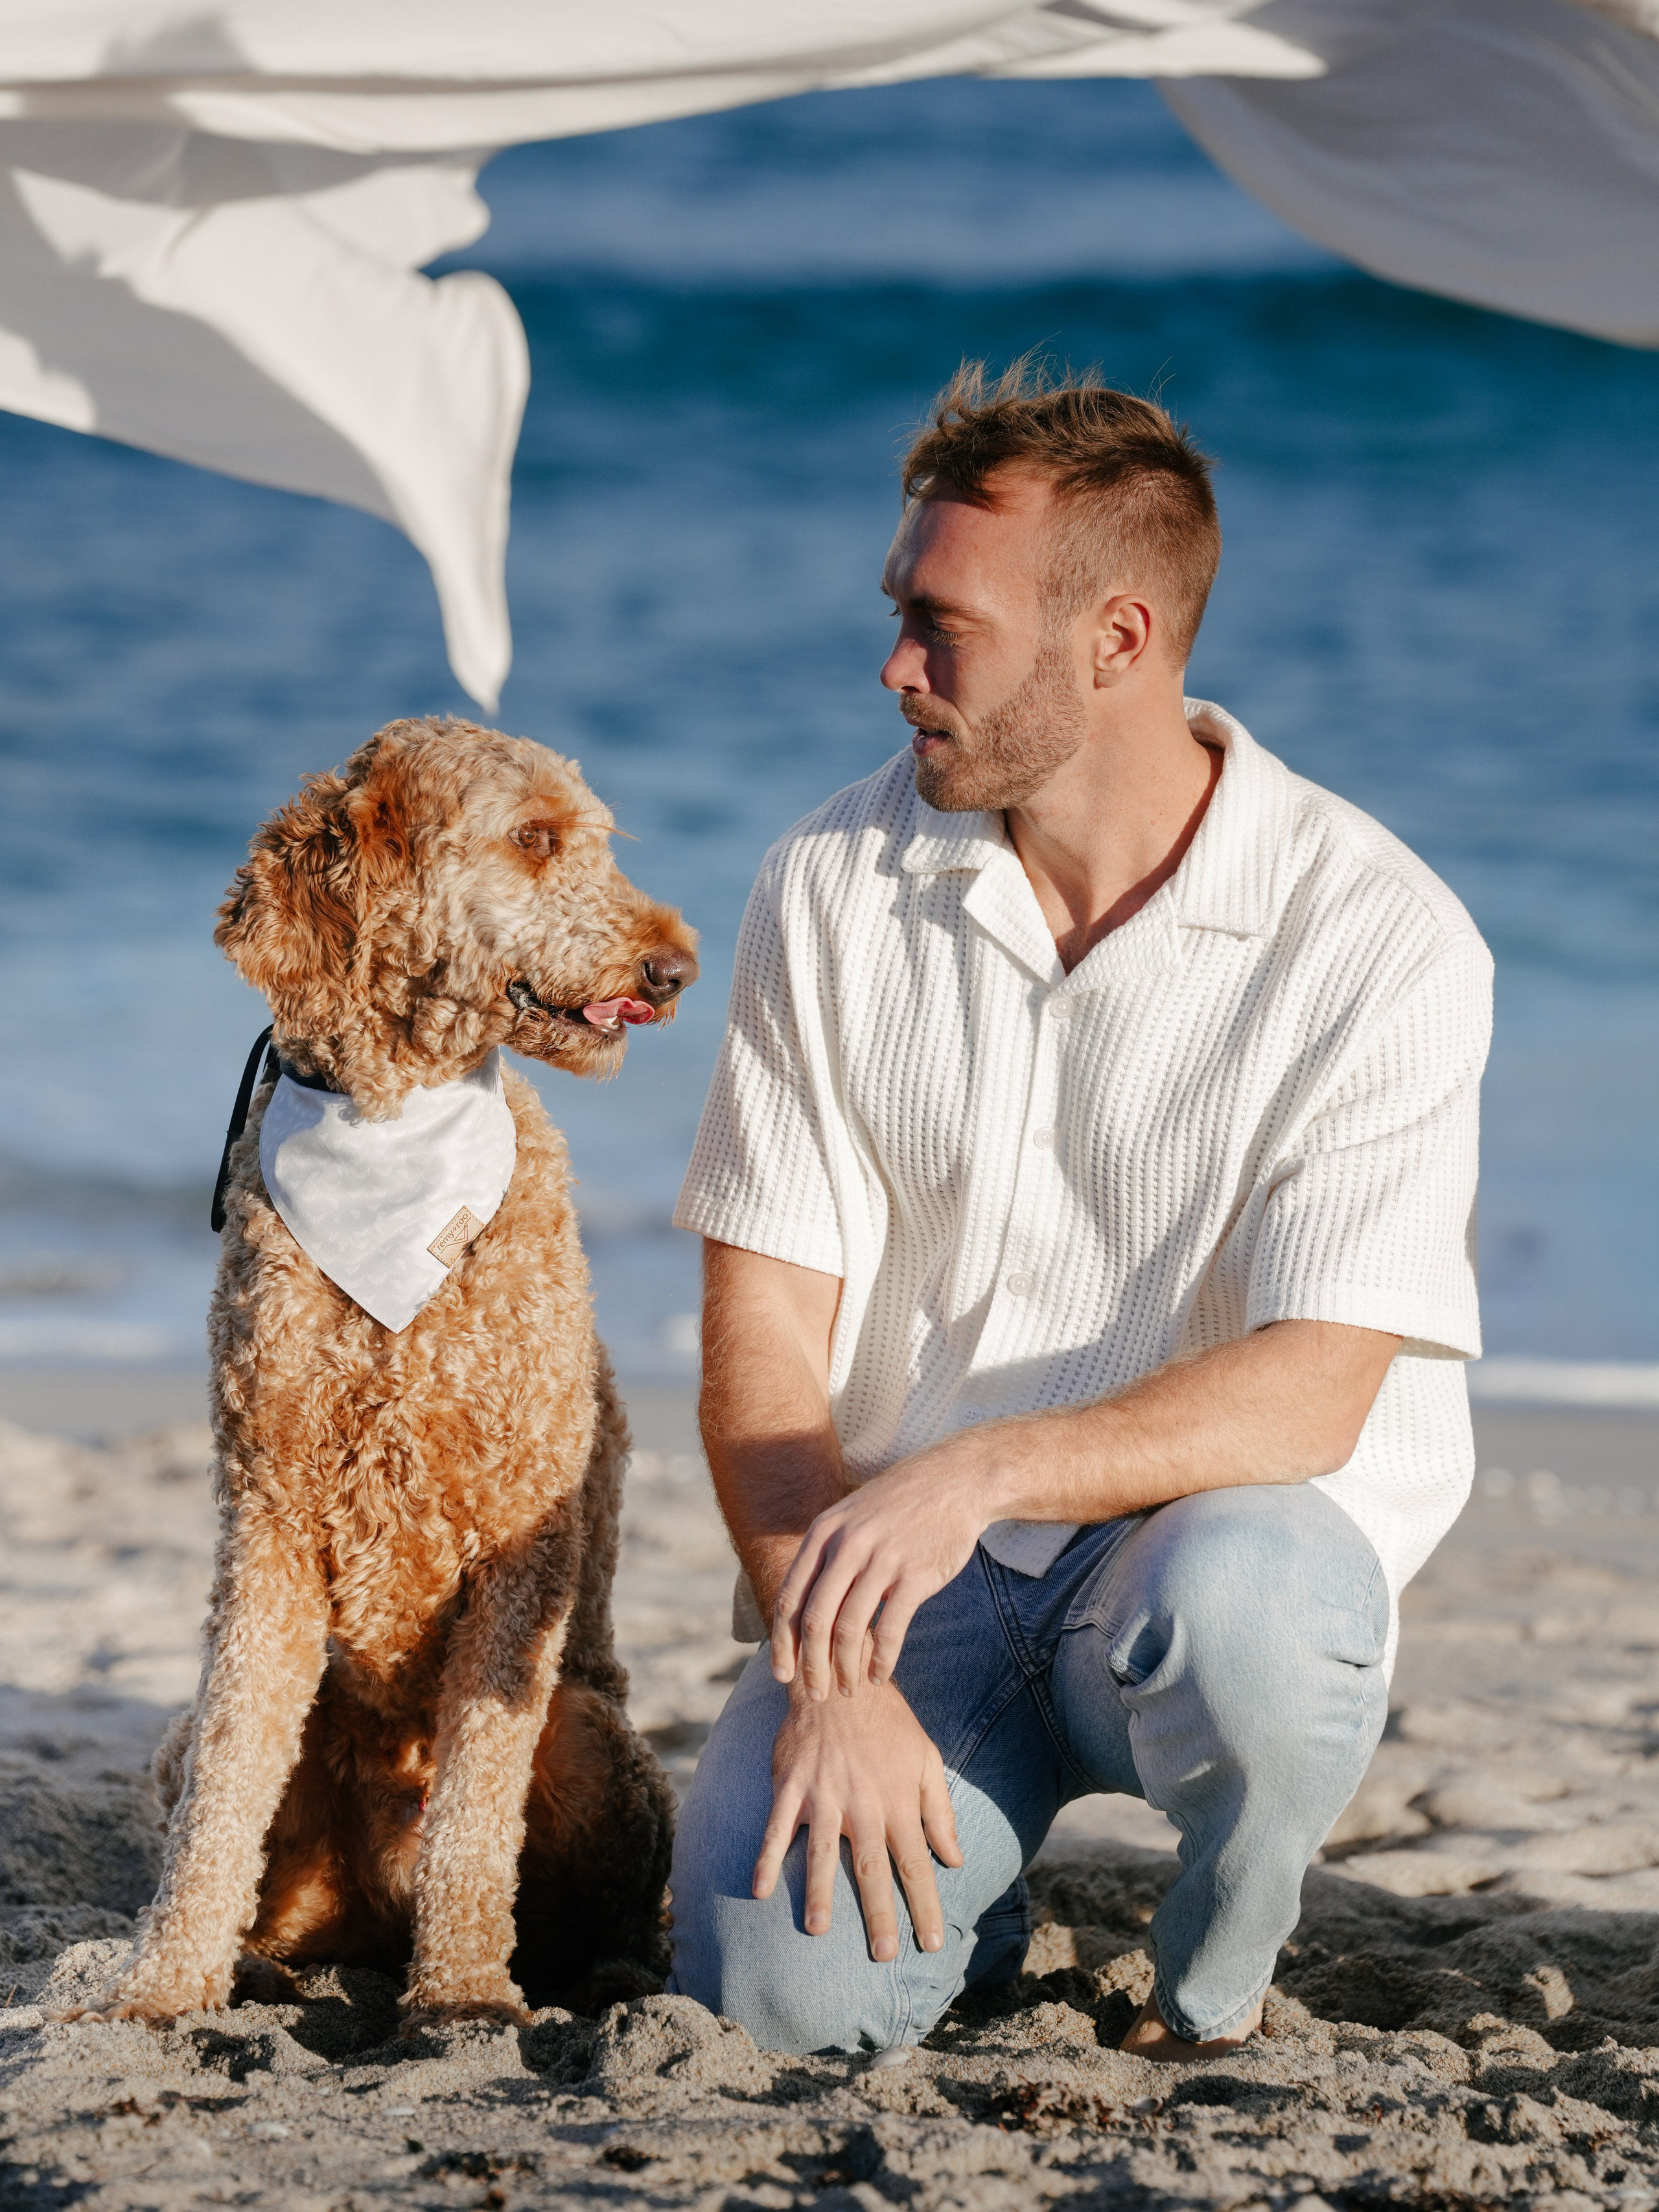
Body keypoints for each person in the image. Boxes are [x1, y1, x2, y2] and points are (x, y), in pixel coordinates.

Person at [667, 364, 1491, 2060]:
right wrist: (833, 1679)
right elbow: (762, 1342)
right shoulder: (824, 887)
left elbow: (1313, 1386)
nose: (894, 666)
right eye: (900, 613)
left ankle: (1210, 1991)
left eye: (939, 625)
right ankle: (961, 1918)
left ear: (1114, 642)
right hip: (918, 1593)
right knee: (770, 2000)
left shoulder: (1383, 936)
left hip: (1213, 1561)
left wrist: (977, 1469)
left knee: (1256, 1615)